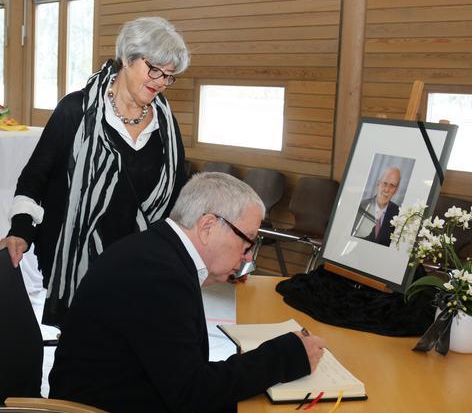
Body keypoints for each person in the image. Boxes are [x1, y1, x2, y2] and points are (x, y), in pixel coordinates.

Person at [49, 172, 326, 412]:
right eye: (247, 242)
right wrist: (286, 356)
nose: (248, 257)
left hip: (126, 391)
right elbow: (192, 394)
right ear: (207, 227)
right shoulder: (159, 279)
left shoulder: (157, 251)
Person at [0, 17, 189, 327]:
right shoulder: (75, 110)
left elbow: (178, 191)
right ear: (127, 58)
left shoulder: (165, 123)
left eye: (169, 76)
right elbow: (35, 176)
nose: (160, 82)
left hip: (140, 261)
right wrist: (20, 229)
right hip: (76, 260)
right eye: (154, 69)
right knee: (80, 351)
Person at [356, 166, 401, 246]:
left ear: (396, 190)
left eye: (392, 185)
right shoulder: (360, 206)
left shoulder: (399, 214)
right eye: (385, 183)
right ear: (378, 183)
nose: (387, 190)